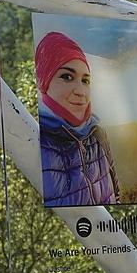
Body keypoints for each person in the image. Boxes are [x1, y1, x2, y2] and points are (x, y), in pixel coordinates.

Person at [35, 30, 118, 207]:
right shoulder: (35, 137)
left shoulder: (97, 134)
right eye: (67, 77)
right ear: (44, 81)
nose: (80, 91)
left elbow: (116, 194)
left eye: (85, 81)